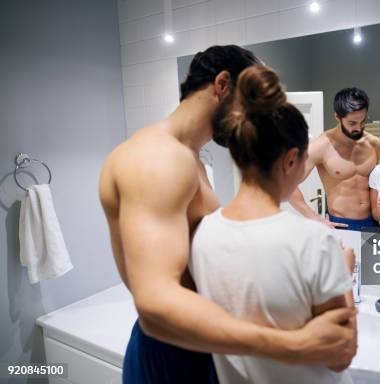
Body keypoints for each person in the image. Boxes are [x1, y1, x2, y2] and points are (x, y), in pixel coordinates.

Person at [98, 45, 356, 384]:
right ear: (222, 84)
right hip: (173, 353)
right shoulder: (158, 157)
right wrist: (293, 344)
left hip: (208, 345)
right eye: (251, 100)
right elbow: (154, 303)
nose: (255, 118)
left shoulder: (191, 160)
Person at [190, 65, 354, 384]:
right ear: (291, 159)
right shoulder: (314, 241)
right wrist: (344, 274)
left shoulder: (204, 233)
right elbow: (340, 355)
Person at [289, 87, 380, 231]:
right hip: (341, 225)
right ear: (337, 117)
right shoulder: (320, 147)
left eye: (363, 121)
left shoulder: (374, 144)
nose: (359, 128)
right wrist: (315, 218)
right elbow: (287, 185)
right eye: (352, 123)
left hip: (373, 224)